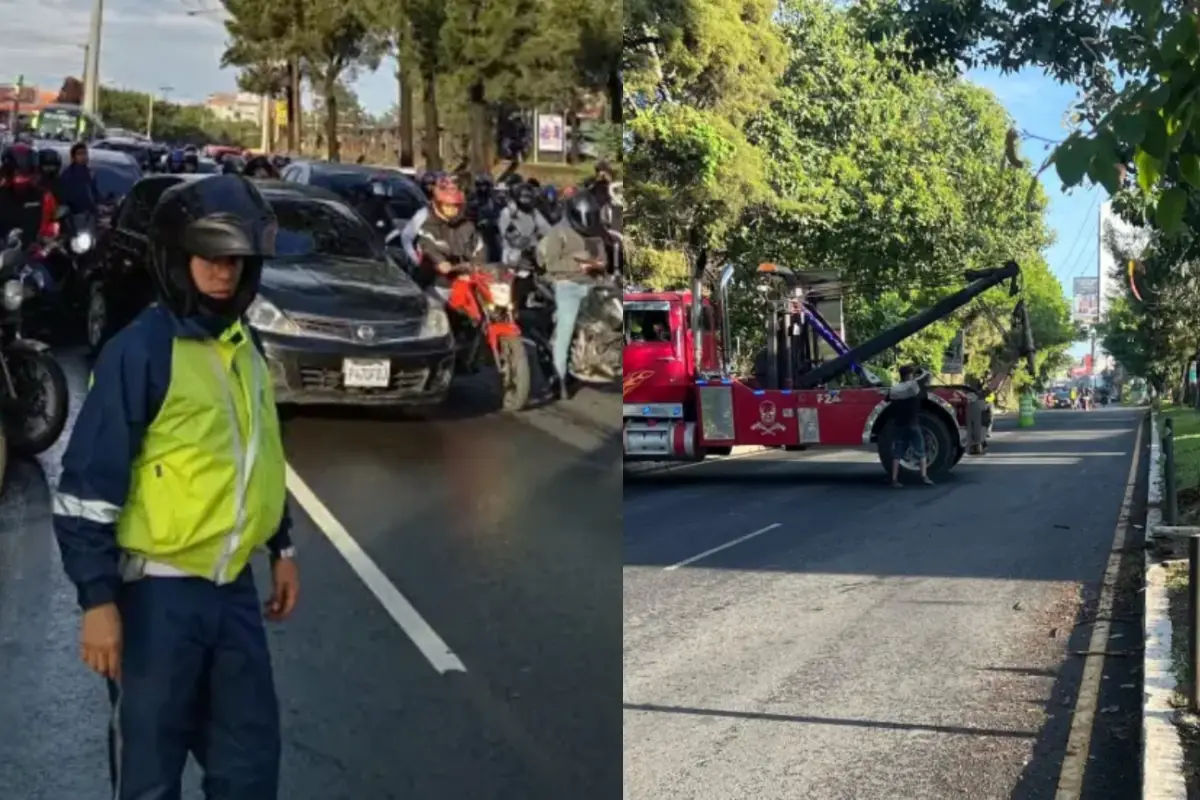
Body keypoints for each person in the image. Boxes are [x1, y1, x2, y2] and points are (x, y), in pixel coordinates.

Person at [51, 174, 299, 800]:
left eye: (235, 260)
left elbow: (258, 454)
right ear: (175, 259)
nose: (223, 272)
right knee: (150, 772)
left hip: (232, 593)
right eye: (209, 257)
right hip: (156, 600)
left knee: (248, 766)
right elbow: (86, 487)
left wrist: (282, 546)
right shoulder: (141, 352)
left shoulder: (246, 347)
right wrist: (97, 601)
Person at [537, 191, 608, 398]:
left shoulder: (596, 233)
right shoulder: (558, 233)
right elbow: (551, 264)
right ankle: (558, 378)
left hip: (594, 284)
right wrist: (579, 265)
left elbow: (603, 259)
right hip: (567, 285)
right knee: (565, 329)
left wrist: (598, 265)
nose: (588, 223)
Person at [414, 174, 484, 301]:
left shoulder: (467, 226)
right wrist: (440, 261)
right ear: (438, 204)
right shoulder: (429, 225)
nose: (451, 210)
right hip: (436, 282)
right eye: (447, 206)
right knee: (436, 307)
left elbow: (479, 246)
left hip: (465, 279)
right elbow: (427, 245)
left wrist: (479, 263)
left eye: (455, 206)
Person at [885, 365, 934, 487]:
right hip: (913, 423)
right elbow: (924, 387)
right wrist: (920, 372)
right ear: (909, 375)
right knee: (921, 450)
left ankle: (894, 480)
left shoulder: (894, 389)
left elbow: (887, 399)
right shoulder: (913, 387)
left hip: (899, 424)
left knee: (897, 452)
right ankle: (924, 477)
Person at [0, 143, 57, 245]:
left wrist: (48, 236)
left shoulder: (44, 196)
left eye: (25, 165)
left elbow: (51, 223)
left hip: (33, 251)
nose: (20, 172)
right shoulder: (2, 192)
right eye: (16, 168)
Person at [498, 182, 550, 267]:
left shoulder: (534, 213)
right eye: (524, 196)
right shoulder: (508, 212)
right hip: (512, 257)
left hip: (532, 256)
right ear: (517, 196)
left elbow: (547, 230)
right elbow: (511, 238)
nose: (527, 199)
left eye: (529, 196)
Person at [58, 142, 101, 215]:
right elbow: (66, 197)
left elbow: (94, 193)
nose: (83, 156)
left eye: (85, 153)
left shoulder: (90, 173)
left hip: (90, 214)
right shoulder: (68, 174)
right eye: (79, 154)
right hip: (75, 215)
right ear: (73, 157)